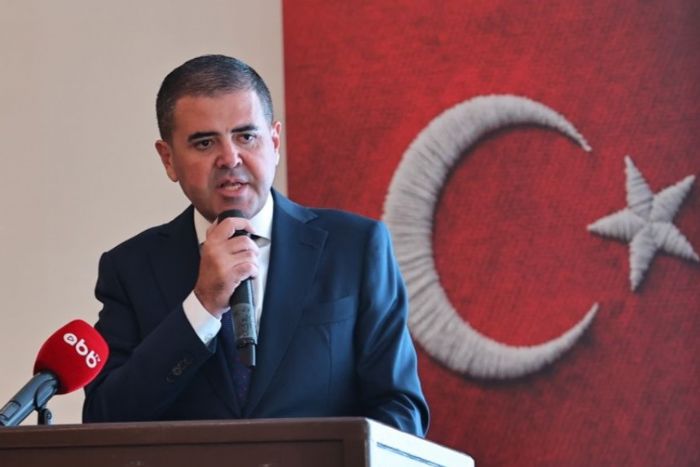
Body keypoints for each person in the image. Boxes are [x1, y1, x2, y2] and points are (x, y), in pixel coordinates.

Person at [82, 55, 429, 436]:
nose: (230, 158)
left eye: (246, 137)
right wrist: (202, 305)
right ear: (169, 160)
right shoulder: (130, 268)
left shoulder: (356, 248)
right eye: (204, 142)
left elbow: (401, 409)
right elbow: (105, 419)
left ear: (274, 142)